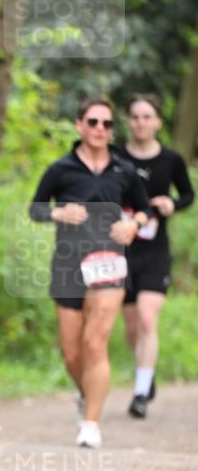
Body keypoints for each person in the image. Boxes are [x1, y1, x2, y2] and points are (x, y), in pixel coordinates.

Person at [29, 98, 151, 448]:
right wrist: (58, 214)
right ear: (80, 125)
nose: (100, 130)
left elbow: (143, 209)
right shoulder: (61, 169)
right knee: (72, 352)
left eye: (107, 124)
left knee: (95, 342)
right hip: (68, 264)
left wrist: (134, 225)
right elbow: (36, 208)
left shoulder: (124, 170)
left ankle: (91, 424)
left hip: (110, 264)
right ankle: (88, 394)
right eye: (94, 122)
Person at [119, 94, 195, 418]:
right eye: (135, 117)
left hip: (155, 250)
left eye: (147, 117)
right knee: (133, 325)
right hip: (121, 249)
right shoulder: (115, 157)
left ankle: (140, 393)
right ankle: (144, 373)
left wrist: (171, 205)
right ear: (128, 121)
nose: (141, 123)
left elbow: (188, 194)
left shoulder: (171, 159)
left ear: (158, 122)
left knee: (149, 318)